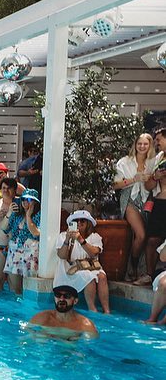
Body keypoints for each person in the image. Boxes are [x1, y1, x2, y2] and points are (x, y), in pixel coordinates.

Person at [114, 132, 159, 282]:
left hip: (148, 199)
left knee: (144, 237)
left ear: (150, 145)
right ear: (135, 145)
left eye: (145, 144)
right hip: (129, 198)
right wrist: (134, 179)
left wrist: (150, 178)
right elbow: (115, 185)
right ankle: (132, 268)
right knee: (141, 235)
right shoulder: (125, 162)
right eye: (139, 143)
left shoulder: (154, 162)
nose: (142, 146)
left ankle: (139, 269)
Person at [54, 210, 109, 314]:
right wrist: (67, 240)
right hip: (71, 269)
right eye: (76, 221)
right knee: (89, 277)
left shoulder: (94, 237)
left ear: (88, 223)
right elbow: (62, 255)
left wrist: (80, 240)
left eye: (82, 220)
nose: (79, 223)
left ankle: (107, 310)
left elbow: (94, 253)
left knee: (102, 276)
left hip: (90, 266)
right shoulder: (63, 236)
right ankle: (92, 309)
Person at [3, 189, 41, 295]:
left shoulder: (39, 216)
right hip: (14, 252)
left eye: (29, 199)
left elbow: (36, 233)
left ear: (35, 202)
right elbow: (4, 228)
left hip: (30, 254)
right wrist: (9, 212)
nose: (25, 202)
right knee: (16, 290)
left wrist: (28, 216)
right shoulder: (17, 215)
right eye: (23, 199)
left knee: (28, 289)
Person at [28, 285, 99, 339]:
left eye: (67, 296)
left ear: (75, 301)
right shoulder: (42, 317)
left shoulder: (85, 325)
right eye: (58, 295)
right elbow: (26, 334)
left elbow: (89, 349)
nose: (61, 299)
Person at [142, 128, 166, 286]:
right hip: (160, 202)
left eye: (158, 139)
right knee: (151, 240)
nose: (156, 143)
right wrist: (156, 177)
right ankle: (149, 275)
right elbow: (148, 185)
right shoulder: (158, 158)